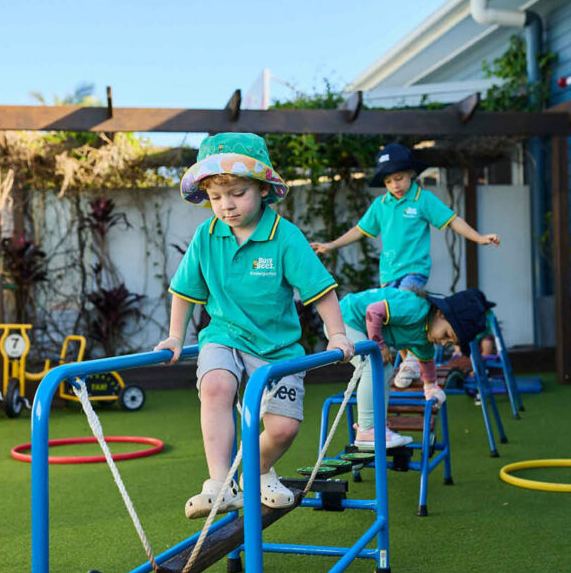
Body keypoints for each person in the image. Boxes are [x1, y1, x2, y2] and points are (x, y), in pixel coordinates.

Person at [154, 133, 355, 520]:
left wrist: (338, 334)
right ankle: (220, 483)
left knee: (283, 429)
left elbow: (320, 290)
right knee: (215, 387)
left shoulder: (284, 236)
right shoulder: (206, 236)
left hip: (277, 347)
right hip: (224, 336)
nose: (226, 205)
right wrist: (176, 336)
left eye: (237, 193)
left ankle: (257, 471)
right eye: (216, 197)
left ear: (263, 188)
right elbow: (184, 291)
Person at [311, 142, 500, 384]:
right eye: (388, 181)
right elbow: (359, 230)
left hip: (414, 272)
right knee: (394, 318)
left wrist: (480, 237)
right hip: (389, 275)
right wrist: (331, 245)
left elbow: (452, 220)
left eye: (399, 178)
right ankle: (406, 365)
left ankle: (412, 360)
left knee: (408, 303)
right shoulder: (381, 205)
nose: (394, 185)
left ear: (411, 173)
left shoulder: (423, 200)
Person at [337, 286, 495, 448]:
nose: (443, 342)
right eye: (447, 335)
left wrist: (431, 387)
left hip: (357, 324)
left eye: (449, 343)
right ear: (441, 314)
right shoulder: (416, 309)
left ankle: (377, 428)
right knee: (372, 365)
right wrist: (379, 344)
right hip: (344, 319)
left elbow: (426, 361)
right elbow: (374, 311)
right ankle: (367, 429)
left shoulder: (424, 337)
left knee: (385, 370)